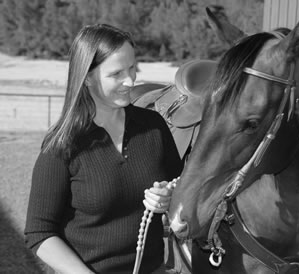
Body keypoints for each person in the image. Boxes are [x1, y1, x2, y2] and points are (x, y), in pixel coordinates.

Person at [24, 24, 183, 274]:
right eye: (116, 73)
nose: (130, 81)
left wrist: (168, 196)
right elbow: (39, 234)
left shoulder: (153, 126)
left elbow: (182, 186)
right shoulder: (63, 144)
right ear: (86, 76)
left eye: (132, 68)